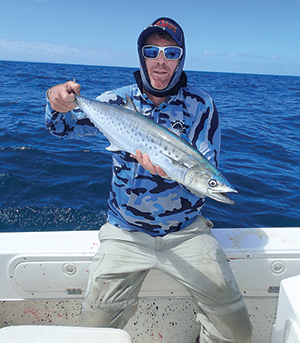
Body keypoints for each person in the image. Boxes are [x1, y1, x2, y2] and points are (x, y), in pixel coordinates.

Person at [45, 17, 252, 343]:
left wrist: (177, 176)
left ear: (181, 58)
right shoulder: (114, 100)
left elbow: (205, 167)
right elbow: (61, 128)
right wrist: (56, 101)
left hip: (185, 231)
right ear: (141, 55)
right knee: (90, 334)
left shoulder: (200, 105)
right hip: (125, 231)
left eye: (171, 53)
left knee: (237, 331)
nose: (160, 60)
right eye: (151, 50)